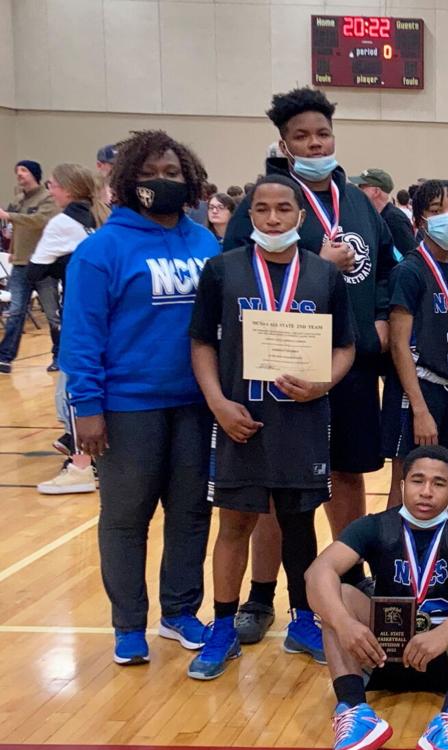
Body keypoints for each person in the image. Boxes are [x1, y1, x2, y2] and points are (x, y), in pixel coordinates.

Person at [224, 87, 396, 644]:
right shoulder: (268, 199)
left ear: (333, 138)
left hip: (347, 366)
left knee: (347, 474)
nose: (314, 142)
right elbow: (233, 274)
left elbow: (393, 262)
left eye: (321, 134)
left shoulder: (360, 203)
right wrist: (316, 264)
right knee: (277, 486)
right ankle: (261, 594)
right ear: (284, 143)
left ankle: (349, 574)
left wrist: (384, 315)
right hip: (278, 367)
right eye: (301, 136)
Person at [186, 175, 357, 680]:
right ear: (250, 216)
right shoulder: (222, 270)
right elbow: (201, 343)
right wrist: (218, 402)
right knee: (235, 523)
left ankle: (304, 620)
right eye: (263, 210)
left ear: (301, 218)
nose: (274, 219)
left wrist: (324, 384)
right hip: (241, 419)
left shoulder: (324, 276)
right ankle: (222, 626)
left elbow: (345, 346)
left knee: (298, 522)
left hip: (301, 419)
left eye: (285, 210)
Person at [59, 130, 219, 665]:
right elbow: (81, 336)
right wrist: (87, 408)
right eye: (151, 173)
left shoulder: (204, 242)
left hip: (197, 403)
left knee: (191, 512)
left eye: (173, 173)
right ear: (127, 180)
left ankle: (179, 612)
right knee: (126, 517)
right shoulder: (100, 250)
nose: (162, 182)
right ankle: (128, 624)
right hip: (128, 406)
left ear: (190, 179)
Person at [307, 445, 448, 750]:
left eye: (439, 483)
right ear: (401, 485)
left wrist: (443, 633)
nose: (426, 491)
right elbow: (317, 573)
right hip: (384, 652)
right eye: (417, 480)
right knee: (337, 596)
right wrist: (344, 624)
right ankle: (355, 712)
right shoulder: (375, 525)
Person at [382, 179, 448, 505]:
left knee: (442, 479)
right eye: (437, 211)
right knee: (407, 479)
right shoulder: (409, 271)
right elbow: (398, 344)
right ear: (419, 220)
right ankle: (393, 555)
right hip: (415, 392)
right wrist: (419, 409)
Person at [31, 163, 109, 495]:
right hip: (108, 317)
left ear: (67, 188)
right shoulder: (100, 218)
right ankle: (83, 457)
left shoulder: (63, 222)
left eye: (53, 185)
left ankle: (81, 465)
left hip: (81, 314)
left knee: (71, 392)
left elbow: (34, 269)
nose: (50, 191)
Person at [0, 159, 58, 374]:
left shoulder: (48, 198)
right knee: (15, 312)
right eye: (17, 171)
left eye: (23, 170)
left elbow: (40, 221)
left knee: (52, 314)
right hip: (21, 263)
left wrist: (9, 215)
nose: (19, 174)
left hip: (43, 264)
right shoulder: (19, 200)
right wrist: (14, 249)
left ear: (35, 173)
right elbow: (18, 228)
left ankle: (59, 355)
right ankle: (5, 357)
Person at [350, 167, 417, 259]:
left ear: (376, 191)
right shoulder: (376, 217)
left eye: (362, 187)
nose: (358, 191)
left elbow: (410, 254)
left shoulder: (394, 219)